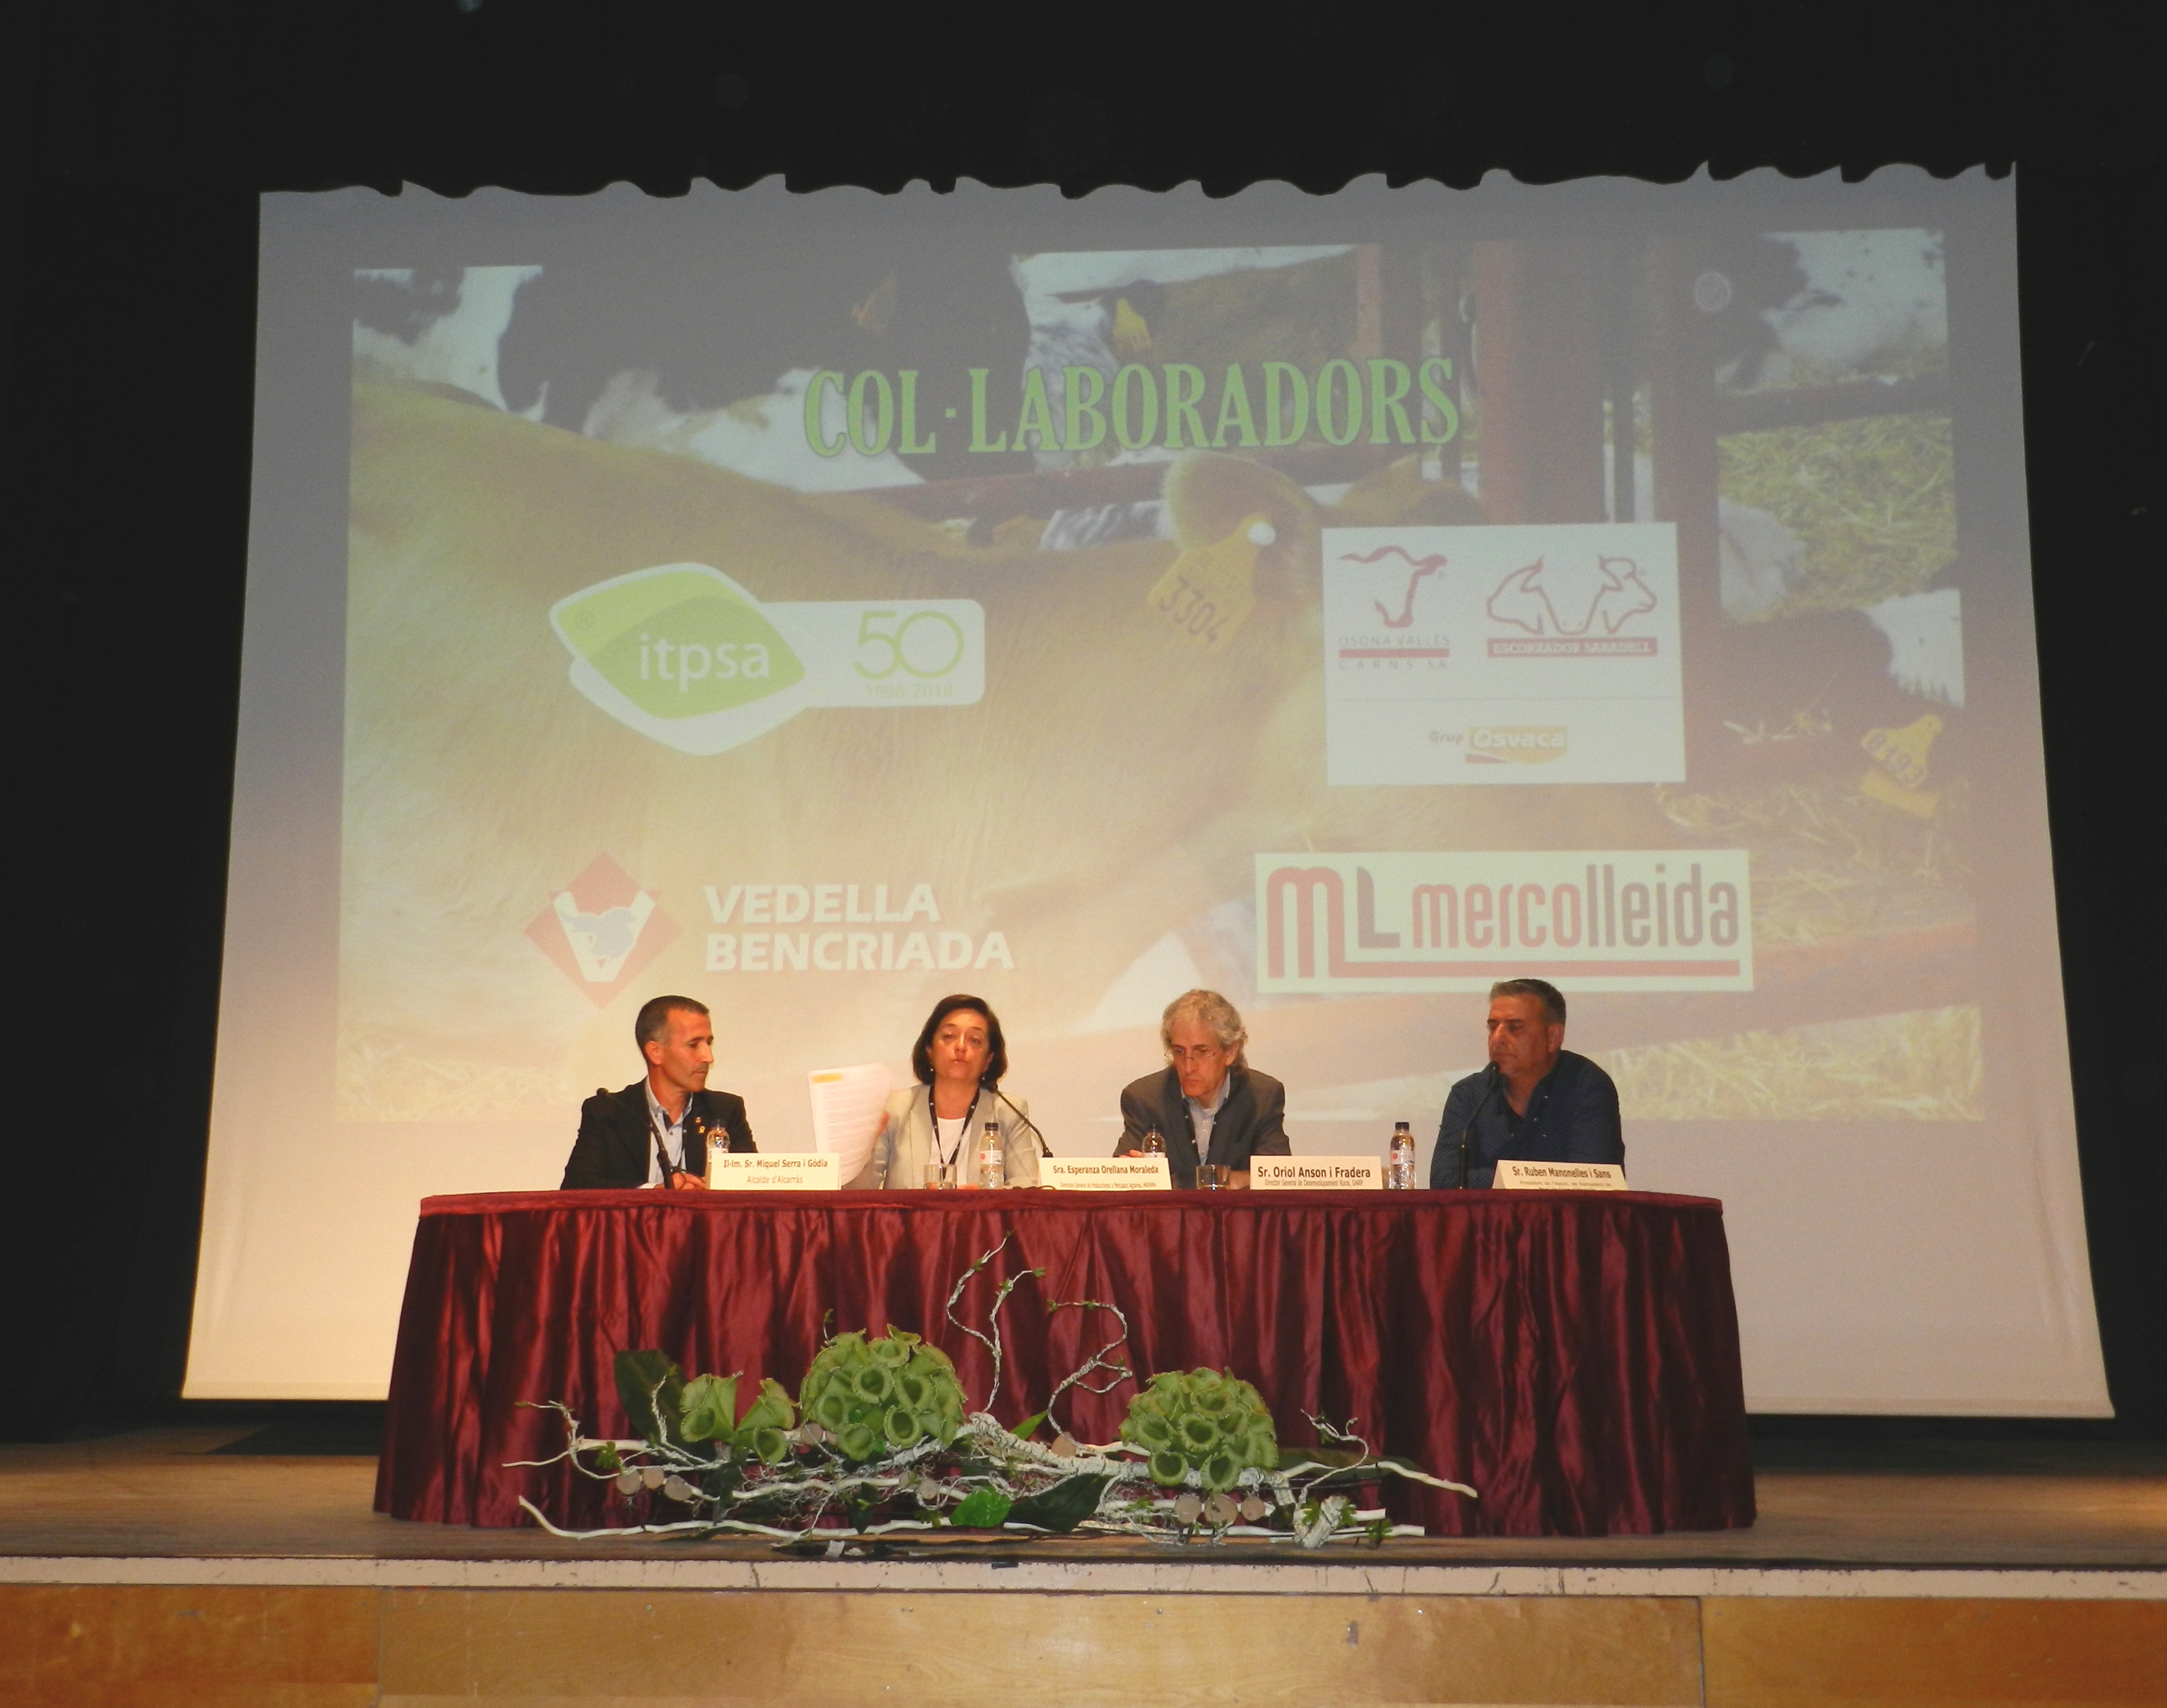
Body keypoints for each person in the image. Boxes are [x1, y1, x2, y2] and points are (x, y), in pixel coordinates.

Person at [1429, 978, 1622, 1189]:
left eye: (1514, 1028)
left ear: (1553, 1037)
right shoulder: (1470, 1095)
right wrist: (1518, 1179)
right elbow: (1444, 1181)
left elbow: (1595, 1182)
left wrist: (1506, 1179)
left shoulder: (1588, 1089)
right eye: (1493, 1027)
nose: (1497, 1038)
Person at [559, 995, 756, 1189]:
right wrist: (654, 1193)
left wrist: (708, 1192)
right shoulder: (608, 1112)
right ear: (655, 1052)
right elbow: (576, 1188)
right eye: (694, 1044)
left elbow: (754, 1185)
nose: (708, 1057)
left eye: (709, 1043)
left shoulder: (725, 1110)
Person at [853, 994, 1042, 1189]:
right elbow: (857, 1193)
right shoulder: (894, 1109)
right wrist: (864, 1150)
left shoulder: (1008, 1112)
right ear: (929, 1049)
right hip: (909, 1212)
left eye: (975, 1040)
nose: (961, 1046)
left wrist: (985, 1196)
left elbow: (1028, 1186)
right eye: (949, 1036)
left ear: (988, 1059)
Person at [1115, 989, 1290, 1189]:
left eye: (1201, 1051)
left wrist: (1169, 1181)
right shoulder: (1144, 1099)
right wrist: (1222, 1180)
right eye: (1179, 1051)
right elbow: (1124, 1175)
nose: (1188, 1067)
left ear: (1231, 1051)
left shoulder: (1262, 1096)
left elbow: (1279, 1176)